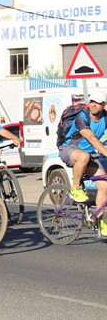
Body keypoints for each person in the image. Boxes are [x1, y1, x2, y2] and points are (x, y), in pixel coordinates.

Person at [59, 90, 107, 236]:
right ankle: (75, 188)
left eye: (97, 102)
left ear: (104, 105)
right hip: (69, 150)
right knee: (83, 156)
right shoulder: (82, 116)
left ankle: (99, 222)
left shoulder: (105, 117)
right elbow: (91, 138)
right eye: (91, 101)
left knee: (104, 185)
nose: (93, 105)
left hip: (89, 155)